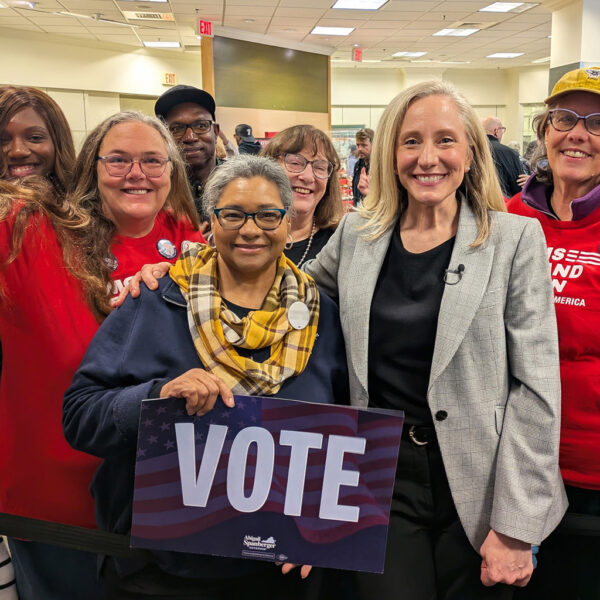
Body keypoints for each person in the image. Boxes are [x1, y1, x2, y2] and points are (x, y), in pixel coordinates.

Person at [303, 80, 566, 599]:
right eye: (411, 141)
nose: (428, 158)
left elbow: (536, 388)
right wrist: (177, 277)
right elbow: (287, 297)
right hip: (379, 477)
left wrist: (516, 525)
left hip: (481, 482)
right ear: (389, 153)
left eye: (445, 140)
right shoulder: (358, 235)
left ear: (471, 152)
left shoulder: (513, 239)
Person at [63, 154, 348, 599]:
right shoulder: (157, 300)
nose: (250, 229)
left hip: (280, 574)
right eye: (232, 214)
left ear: (288, 224)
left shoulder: (322, 316)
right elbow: (80, 416)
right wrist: (157, 397)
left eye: (268, 215)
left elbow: (347, 437)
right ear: (210, 223)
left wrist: (325, 520)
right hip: (163, 573)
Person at [0, 110, 203, 599]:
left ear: (172, 172)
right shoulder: (33, 231)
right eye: (119, 160)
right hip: (57, 501)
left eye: (153, 161)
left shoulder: (193, 244)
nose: (137, 174)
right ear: (91, 166)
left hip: (160, 503)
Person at [506, 66, 600, 600]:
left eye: (597, 123)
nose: (578, 134)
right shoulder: (508, 218)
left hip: (591, 467)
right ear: (546, 129)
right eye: (566, 118)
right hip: (518, 466)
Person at [260, 125, 343, 267]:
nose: (308, 177)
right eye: (295, 163)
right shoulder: (244, 235)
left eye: (320, 167)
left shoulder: (339, 244)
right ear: (268, 168)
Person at [155, 84, 223, 218]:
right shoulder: (155, 189)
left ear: (215, 132)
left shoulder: (240, 181)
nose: (190, 137)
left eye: (201, 125)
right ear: (163, 137)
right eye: (176, 128)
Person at [481, 116, 524, 198]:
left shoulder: (469, 151)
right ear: (496, 131)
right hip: (504, 206)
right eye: (502, 129)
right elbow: (517, 188)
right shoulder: (510, 154)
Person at [352, 127, 374, 205]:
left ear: (374, 145)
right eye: (358, 145)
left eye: (364, 145)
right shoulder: (357, 165)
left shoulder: (380, 167)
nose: (360, 149)